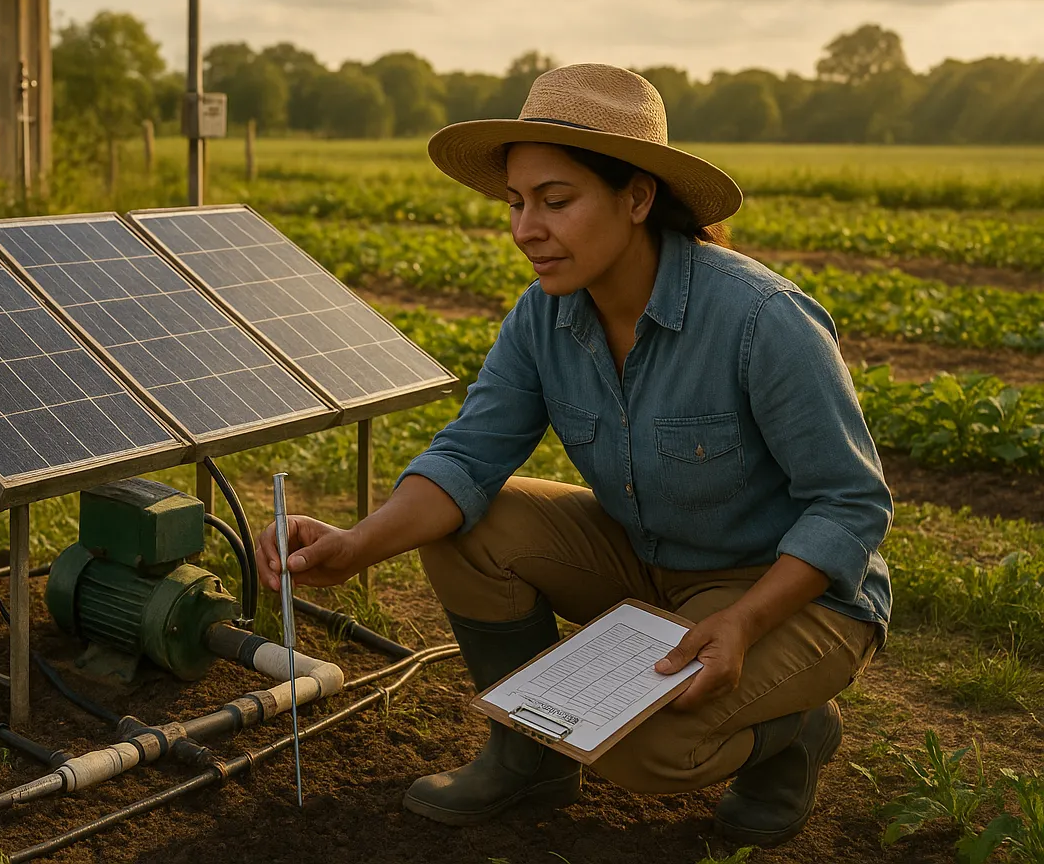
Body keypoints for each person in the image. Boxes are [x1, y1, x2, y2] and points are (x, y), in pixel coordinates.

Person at [255, 63, 890, 848]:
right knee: (469, 524)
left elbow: (850, 505)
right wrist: (357, 546)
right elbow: (468, 457)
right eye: (517, 203)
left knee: (640, 747)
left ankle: (796, 734)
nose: (526, 228)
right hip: (648, 561)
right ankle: (529, 759)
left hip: (789, 595)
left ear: (636, 198)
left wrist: (744, 621)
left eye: (556, 201)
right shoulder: (543, 317)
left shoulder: (763, 320)